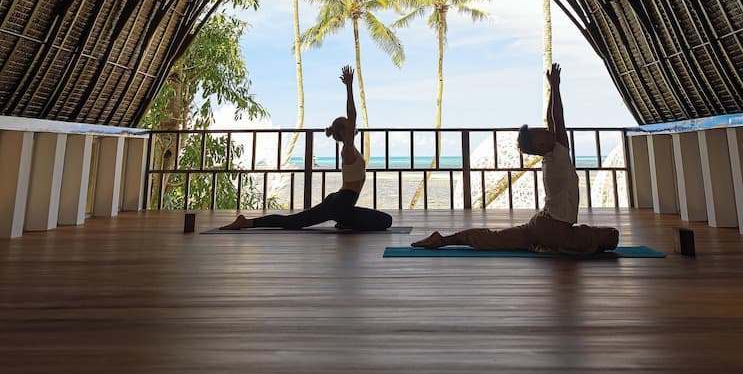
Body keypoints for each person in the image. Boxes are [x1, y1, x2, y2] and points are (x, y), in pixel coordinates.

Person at [412, 62, 619, 254]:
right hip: (555, 230)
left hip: (539, 224)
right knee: (611, 236)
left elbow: (552, 119)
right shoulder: (558, 154)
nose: (547, 130)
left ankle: (444, 240)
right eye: (540, 133)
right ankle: (549, 246)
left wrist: (552, 88)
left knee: (493, 238)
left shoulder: (551, 157)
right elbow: (558, 118)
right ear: (539, 145)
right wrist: (555, 87)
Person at [221, 65, 392, 232]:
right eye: (349, 125)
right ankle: (247, 222)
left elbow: (352, 119)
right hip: (340, 204)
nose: (353, 126)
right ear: (343, 132)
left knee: (293, 221)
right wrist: (349, 87)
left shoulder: (350, 149)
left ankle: (344, 221)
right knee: (385, 221)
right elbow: (352, 115)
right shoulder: (348, 150)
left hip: (340, 203)